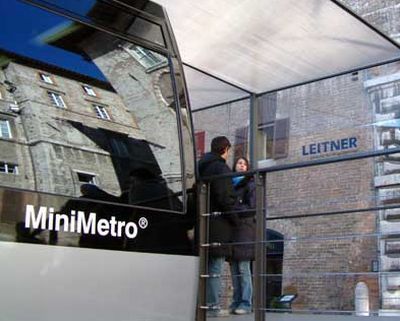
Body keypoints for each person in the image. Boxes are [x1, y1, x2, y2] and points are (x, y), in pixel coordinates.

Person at [198, 136, 237, 317]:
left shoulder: (201, 167)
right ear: (225, 149)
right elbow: (225, 197)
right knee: (215, 267)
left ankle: (201, 304)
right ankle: (212, 306)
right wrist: (235, 219)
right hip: (218, 224)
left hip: (202, 222)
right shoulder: (221, 168)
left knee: (203, 267)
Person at [229, 157, 256, 315]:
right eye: (239, 163)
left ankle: (245, 303)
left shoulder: (250, 184)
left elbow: (252, 207)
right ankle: (236, 301)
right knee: (233, 268)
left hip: (244, 229)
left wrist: (234, 208)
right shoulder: (229, 183)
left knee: (243, 267)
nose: (241, 165)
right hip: (232, 228)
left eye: (244, 164)